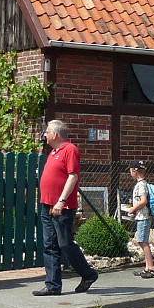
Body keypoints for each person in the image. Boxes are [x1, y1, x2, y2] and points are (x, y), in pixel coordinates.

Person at [33, 120, 98, 296]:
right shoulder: (53, 152)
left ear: (55, 134)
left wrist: (61, 201)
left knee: (64, 243)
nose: (44, 135)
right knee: (50, 244)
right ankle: (53, 285)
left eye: (47, 132)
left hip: (62, 206)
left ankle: (88, 274)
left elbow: (73, 176)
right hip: (47, 204)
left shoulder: (70, 150)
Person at [128, 160, 154, 278]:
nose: (130, 174)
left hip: (143, 217)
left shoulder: (141, 185)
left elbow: (143, 201)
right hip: (141, 216)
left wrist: (133, 208)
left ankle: (151, 268)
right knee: (142, 241)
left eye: (130, 171)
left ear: (135, 171)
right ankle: (147, 267)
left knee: (143, 242)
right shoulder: (141, 184)